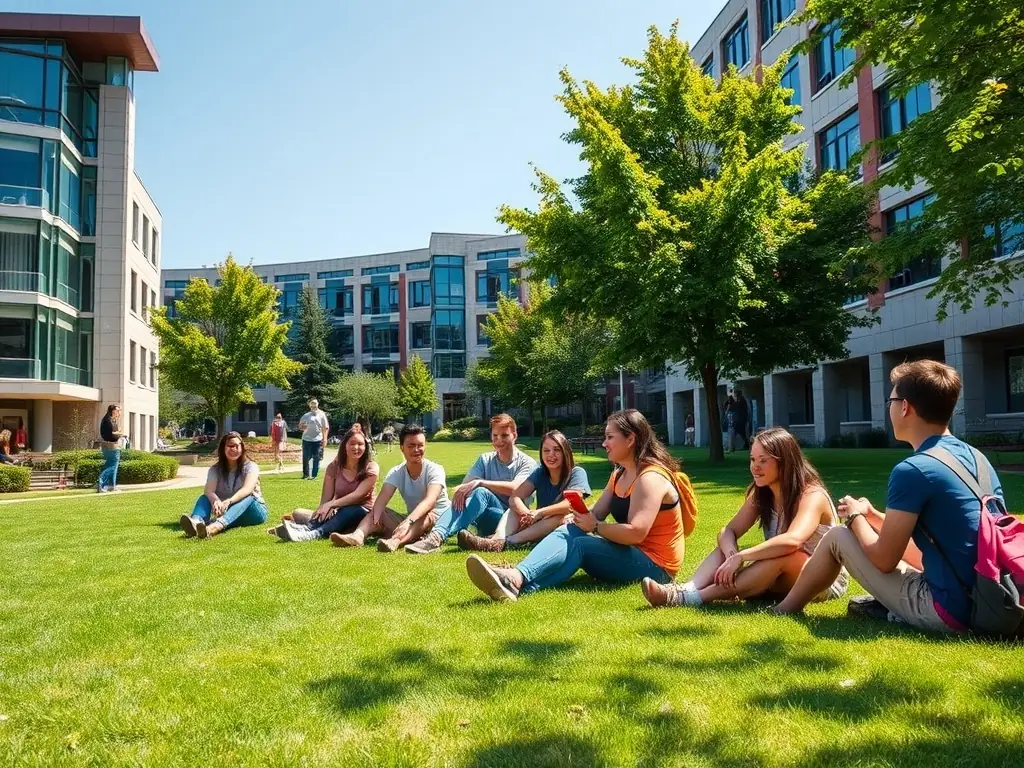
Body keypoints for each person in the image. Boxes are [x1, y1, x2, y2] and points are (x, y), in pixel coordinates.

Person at [775, 360, 1005, 634]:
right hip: (992, 597)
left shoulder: (914, 469)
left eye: (891, 399)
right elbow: (928, 535)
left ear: (905, 407)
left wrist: (856, 516)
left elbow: (884, 558)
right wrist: (871, 515)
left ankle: (783, 610)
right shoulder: (976, 458)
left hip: (953, 611)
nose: (890, 407)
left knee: (837, 537)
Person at [464, 409, 686, 602]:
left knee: (581, 545)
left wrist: (596, 527)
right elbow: (597, 512)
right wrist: (579, 519)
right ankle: (517, 579)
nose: (604, 443)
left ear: (630, 440)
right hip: (632, 552)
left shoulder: (650, 478)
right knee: (570, 529)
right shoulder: (619, 473)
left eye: (610, 437)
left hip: (657, 566)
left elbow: (636, 533)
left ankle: (516, 579)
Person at [642, 427, 847, 608]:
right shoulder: (762, 493)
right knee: (725, 548)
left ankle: (690, 598)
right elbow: (728, 531)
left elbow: (793, 541)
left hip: (822, 580)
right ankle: (687, 589)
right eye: (752, 459)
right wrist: (732, 554)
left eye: (763, 461)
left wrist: (743, 556)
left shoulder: (812, 495)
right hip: (782, 573)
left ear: (785, 463)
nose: (755, 467)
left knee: (786, 555)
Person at [404, 413, 537, 554]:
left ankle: (440, 536)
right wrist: (464, 490)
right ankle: (435, 537)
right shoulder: (485, 459)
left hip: (509, 520)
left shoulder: (526, 462)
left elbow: (518, 489)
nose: (499, 440)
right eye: (495, 436)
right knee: (473, 493)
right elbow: (462, 489)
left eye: (504, 436)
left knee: (481, 492)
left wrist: (481, 483)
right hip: (484, 518)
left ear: (514, 436)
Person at [458, 430, 592, 553]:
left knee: (559, 516)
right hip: (539, 525)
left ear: (565, 452)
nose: (551, 455)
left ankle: (509, 542)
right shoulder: (540, 473)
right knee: (514, 509)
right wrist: (526, 513)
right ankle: (496, 541)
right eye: (546, 451)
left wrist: (539, 513)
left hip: (564, 524)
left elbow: (570, 504)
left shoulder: (576, 473)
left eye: (557, 450)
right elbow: (515, 496)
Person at [330, 424, 450, 552]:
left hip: (438, 521)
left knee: (427, 515)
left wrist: (408, 522)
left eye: (420, 445)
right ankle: (357, 537)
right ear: (402, 448)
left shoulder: (435, 470)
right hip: (413, 520)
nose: (416, 450)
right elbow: (382, 499)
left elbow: (429, 501)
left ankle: (396, 541)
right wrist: (376, 517)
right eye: (411, 446)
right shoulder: (397, 472)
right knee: (379, 510)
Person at [271, 426, 379, 542]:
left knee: (348, 511)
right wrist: (323, 509)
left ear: (365, 447)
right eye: (352, 443)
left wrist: (332, 504)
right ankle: (305, 529)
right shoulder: (334, 467)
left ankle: (313, 534)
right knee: (308, 512)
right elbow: (326, 499)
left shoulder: (371, 468)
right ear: (344, 446)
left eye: (360, 444)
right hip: (340, 509)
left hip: (364, 512)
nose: (356, 447)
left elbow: (358, 495)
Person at [179, 432, 269, 539]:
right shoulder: (215, 470)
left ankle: (215, 527)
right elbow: (209, 491)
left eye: (237, 446)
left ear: (242, 448)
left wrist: (229, 501)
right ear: (223, 448)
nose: (233, 449)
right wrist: (216, 500)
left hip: (254, 510)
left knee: (249, 497)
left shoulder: (250, 467)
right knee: (204, 498)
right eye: (230, 446)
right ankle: (196, 522)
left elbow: (247, 489)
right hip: (231, 510)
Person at [298, 399, 330, 480]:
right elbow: (300, 426)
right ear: (309, 405)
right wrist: (302, 427)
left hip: (317, 440)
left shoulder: (322, 415)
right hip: (306, 439)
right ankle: (306, 475)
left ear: (318, 404)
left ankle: (314, 475)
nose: (313, 405)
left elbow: (325, 428)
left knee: (316, 458)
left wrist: (325, 439)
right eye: (312, 404)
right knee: (306, 458)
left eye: (315, 403)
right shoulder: (306, 415)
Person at [98, 404, 124, 493]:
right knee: (112, 466)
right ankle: (101, 484)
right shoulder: (108, 421)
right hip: (111, 446)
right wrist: (118, 433)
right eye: (118, 410)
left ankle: (112, 486)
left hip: (111, 445)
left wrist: (118, 432)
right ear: (113, 411)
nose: (119, 412)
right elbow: (110, 434)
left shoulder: (111, 420)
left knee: (112, 466)